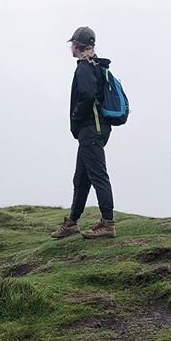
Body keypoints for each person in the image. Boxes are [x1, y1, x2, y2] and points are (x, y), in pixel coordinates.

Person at [51, 26, 116, 240]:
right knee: (81, 178)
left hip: (91, 129)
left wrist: (76, 120)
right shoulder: (97, 66)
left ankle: (108, 223)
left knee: (98, 175)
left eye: (72, 44)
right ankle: (72, 222)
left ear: (76, 46)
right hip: (96, 129)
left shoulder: (84, 68)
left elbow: (87, 96)